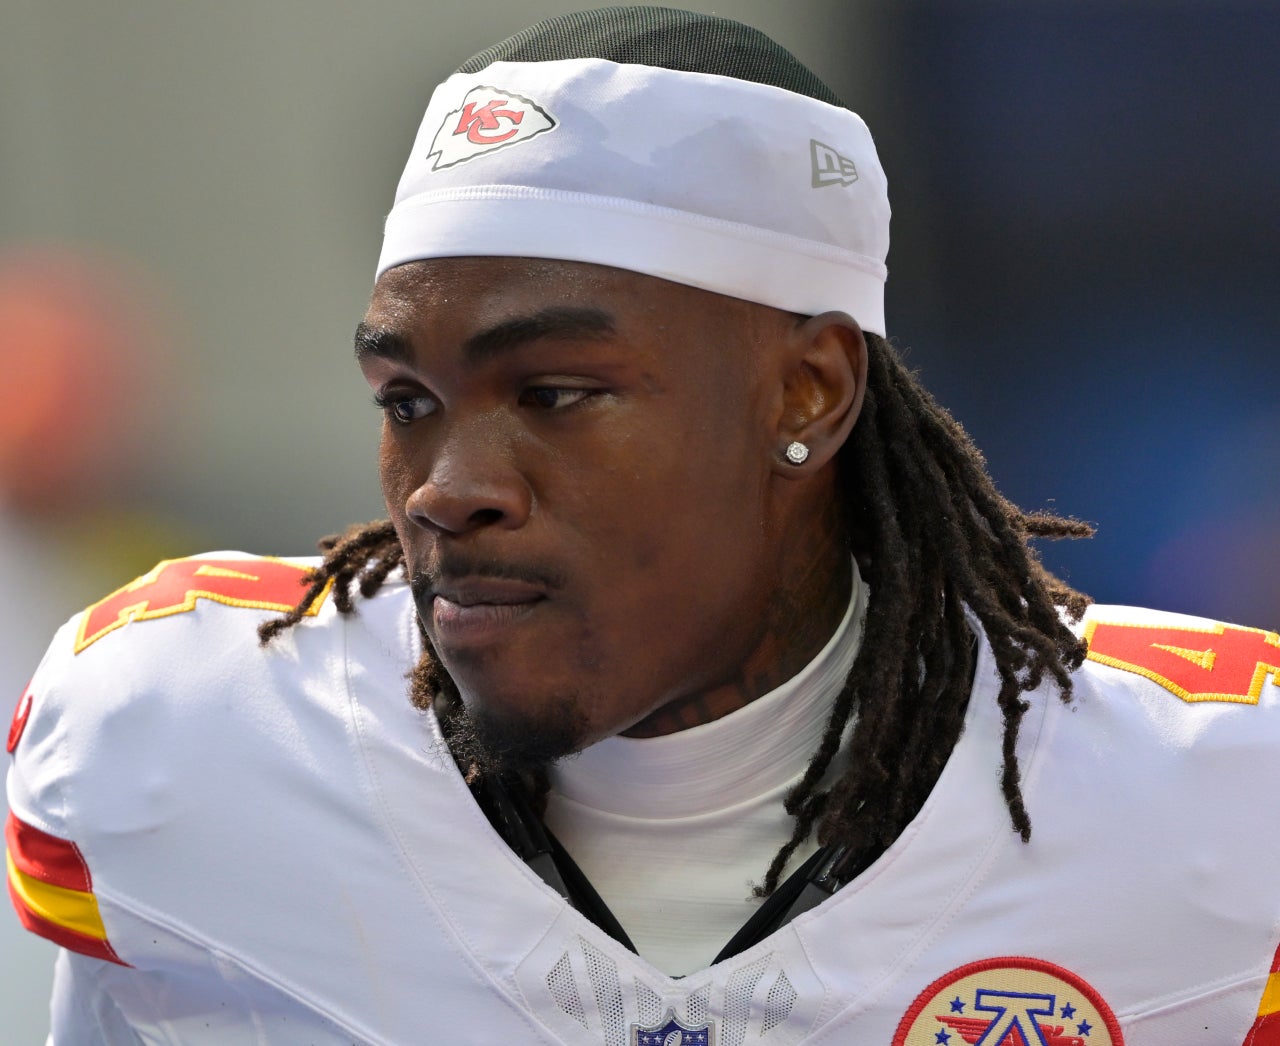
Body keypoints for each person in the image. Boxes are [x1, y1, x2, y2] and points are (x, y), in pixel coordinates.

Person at [6, 8, 1280, 1044]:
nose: (446, 487)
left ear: (806, 392)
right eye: (406, 399)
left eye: (555, 392)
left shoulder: (1212, 793)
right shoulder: (176, 732)